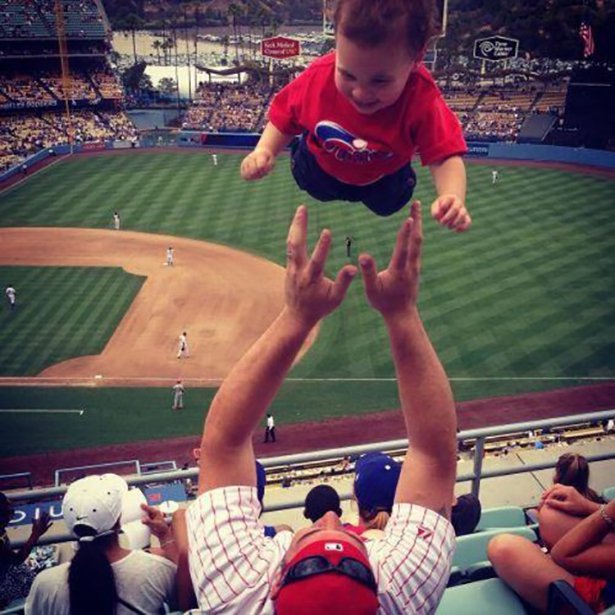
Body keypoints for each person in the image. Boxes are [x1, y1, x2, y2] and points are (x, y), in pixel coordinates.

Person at [186, 201, 457, 613]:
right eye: (348, 540)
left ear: (276, 582)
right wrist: (402, 314)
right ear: (377, 581)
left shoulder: (237, 593)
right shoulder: (395, 593)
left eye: (313, 539)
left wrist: (298, 316)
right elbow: (434, 454)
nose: (331, 518)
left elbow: (223, 442)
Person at [240, 0, 470, 229]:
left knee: (391, 202)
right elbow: (283, 118)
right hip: (321, 169)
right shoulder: (318, 78)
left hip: (383, 180)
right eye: (348, 75)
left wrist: (452, 196)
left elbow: (445, 155)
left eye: (380, 81)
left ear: (415, 60)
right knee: (309, 177)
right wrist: (265, 150)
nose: (361, 93)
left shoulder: (422, 97)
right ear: (336, 45)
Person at [25, 474, 178, 615]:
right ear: (119, 520)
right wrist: (165, 535)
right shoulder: (158, 569)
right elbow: (188, 599)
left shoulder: (44, 584)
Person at [488, 485, 615, 613]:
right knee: (552, 514)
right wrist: (590, 506)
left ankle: (582, 603)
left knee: (503, 547)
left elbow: (563, 556)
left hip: (602, 601)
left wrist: (609, 511)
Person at [0, 493, 51, 608]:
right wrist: (35, 534)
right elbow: (17, 559)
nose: (11, 514)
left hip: (7, 571)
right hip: (3, 582)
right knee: (39, 586)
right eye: (8, 512)